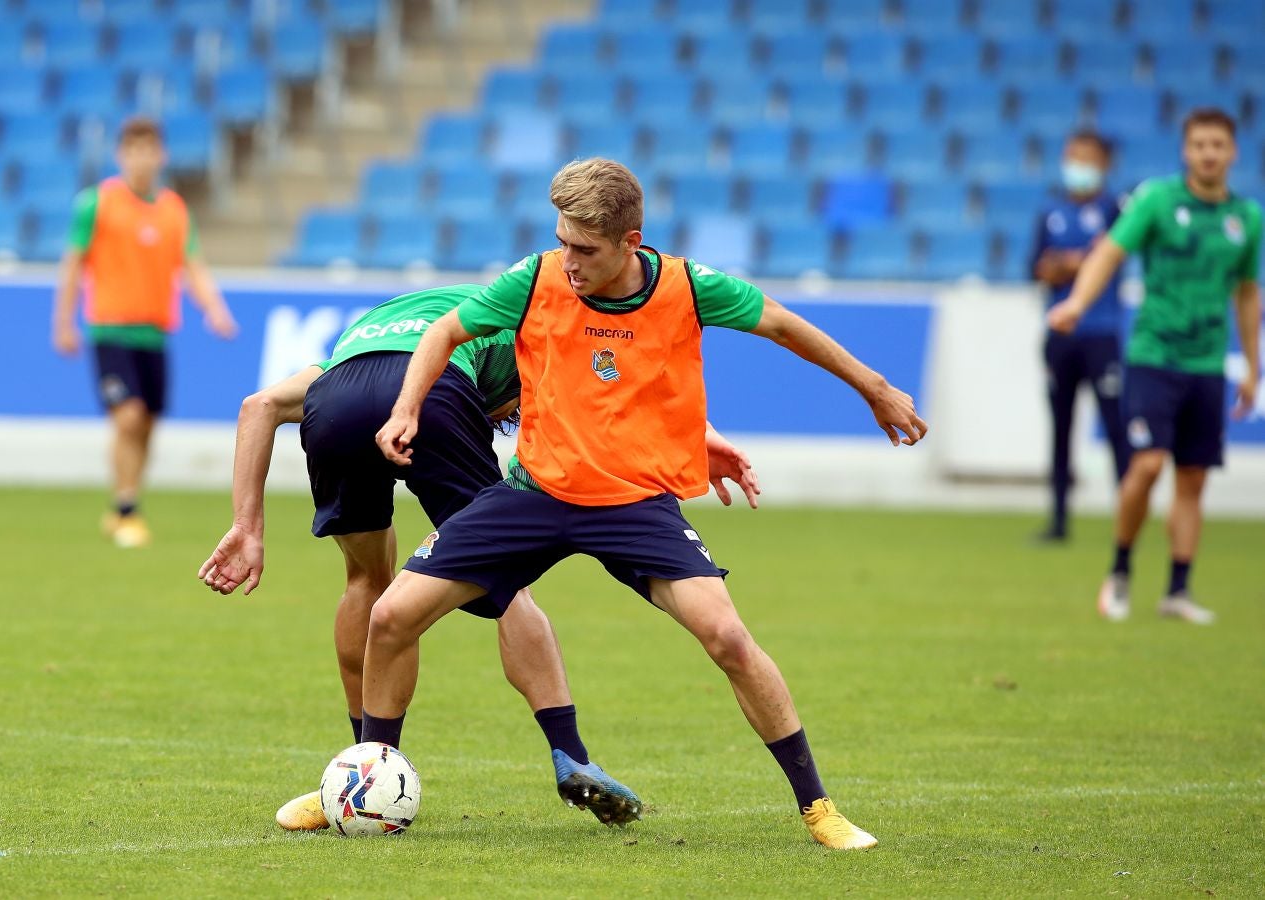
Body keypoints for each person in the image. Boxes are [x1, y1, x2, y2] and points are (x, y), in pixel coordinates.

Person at [366, 158, 928, 850]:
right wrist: (404, 409)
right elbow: (444, 332)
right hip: (534, 494)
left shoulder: (689, 288)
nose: (567, 261)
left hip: (635, 506)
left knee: (725, 637)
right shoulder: (532, 280)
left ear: (631, 242)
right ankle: (365, 777)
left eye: (585, 250)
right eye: (562, 242)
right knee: (390, 617)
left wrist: (873, 387)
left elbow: (781, 325)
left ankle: (818, 809)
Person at [196, 285, 765, 830]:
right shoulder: (520, 313)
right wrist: (703, 434)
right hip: (438, 394)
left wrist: (247, 527)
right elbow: (626, 379)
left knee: (366, 578)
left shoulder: (359, 343)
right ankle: (570, 754)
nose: (502, 420)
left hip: (336, 406)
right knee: (507, 580)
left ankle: (363, 769)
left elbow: (259, 405)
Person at [1049, 108, 1261, 624]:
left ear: (1232, 152)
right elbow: (1109, 253)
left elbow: (1248, 294)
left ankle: (1178, 590)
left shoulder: (1247, 219)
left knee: (1192, 479)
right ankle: (1119, 571)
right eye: (1199, 145)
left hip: (1208, 363)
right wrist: (1077, 302)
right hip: (1153, 355)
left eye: (1218, 145)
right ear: (1186, 151)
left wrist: (1253, 366)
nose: (1209, 153)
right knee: (1146, 465)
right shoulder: (1157, 200)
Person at [52, 117, 238, 548]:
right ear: (121, 156)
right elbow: (73, 265)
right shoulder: (96, 204)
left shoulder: (173, 209)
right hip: (111, 330)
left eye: (149, 149)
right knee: (129, 415)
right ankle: (126, 507)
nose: (141, 158)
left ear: (161, 155)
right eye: (133, 150)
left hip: (155, 334)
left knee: (148, 423)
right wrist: (63, 322)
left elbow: (192, 265)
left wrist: (214, 309)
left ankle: (125, 501)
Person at [1029, 130, 1131, 542]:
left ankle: (1128, 517)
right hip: (1059, 335)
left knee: (1116, 429)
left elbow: (1111, 256)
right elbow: (1038, 268)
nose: (1077, 167)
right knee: (1060, 429)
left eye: (1085, 159)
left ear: (1104, 165)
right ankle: (1058, 520)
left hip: (1101, 333)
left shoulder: (1115, 210)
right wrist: (1079, 261)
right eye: (1072, 157)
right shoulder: (1050, 212)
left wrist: (1068, 264)